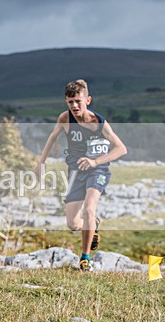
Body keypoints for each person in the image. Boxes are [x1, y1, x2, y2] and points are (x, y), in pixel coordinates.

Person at [35, 79, 127, 271]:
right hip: (76, 172)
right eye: (70, 102)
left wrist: (95, 161)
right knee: (73, 224)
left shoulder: (98, 122)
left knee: (89, 209)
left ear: (88, 100)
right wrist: (40, 163)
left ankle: (85, 259)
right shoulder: (64, 119)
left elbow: (121, 149)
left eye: (78, 101)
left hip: (98, 170)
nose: (75, 106)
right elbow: (53, 137)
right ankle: (93, 224)